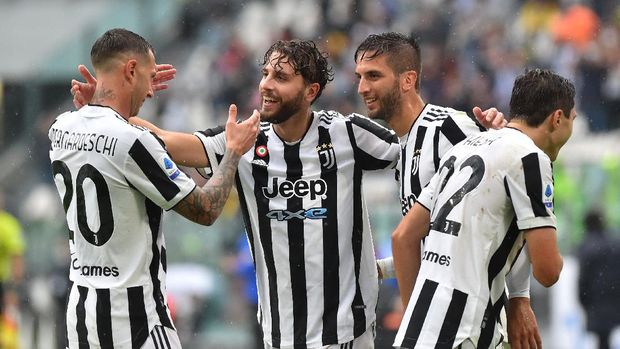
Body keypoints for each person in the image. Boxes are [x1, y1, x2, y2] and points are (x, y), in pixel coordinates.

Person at [73, 38, 402, 349]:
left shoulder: (347, 134)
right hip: (279, 334)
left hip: (346, 332)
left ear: (310, 91)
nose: (266, 85)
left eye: (281, 77)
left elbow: (413, 154)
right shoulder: (244, 140)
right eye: (265, 73)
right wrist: (106, 107)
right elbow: (162, 140)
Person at [50, 28, 259, 348]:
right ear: (130, 70)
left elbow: (104, 134)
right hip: (136, 320)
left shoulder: (61, 128)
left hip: (82, 315)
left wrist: (100, 105)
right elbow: (206, 210)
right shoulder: (134, 142)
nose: (151, 92)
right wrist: (232, 153)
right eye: (148, 77)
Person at [353, 32, 539, 348]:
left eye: (374, 76)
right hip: (446, 327)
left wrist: (520, 298)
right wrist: (377, 270)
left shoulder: (451, 129)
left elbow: (515, 207)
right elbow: (437, 244)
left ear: (407, 80)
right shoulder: (404, 147)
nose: (362, 88)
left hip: (475, 324)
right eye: (359, 77)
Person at [391, 68, 575, 348]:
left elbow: (403, 237)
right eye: (572, 119)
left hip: (415, 334)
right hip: (466, 332)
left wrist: (416, 316)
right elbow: (548, 271)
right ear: (557, 118)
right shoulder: (531, 158)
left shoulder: (462, 149)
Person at [578, 210, 620, 349]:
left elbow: (583, 279)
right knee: (606, 337)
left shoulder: (587, 246)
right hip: (613, 298)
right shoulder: (614, 243)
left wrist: (583, 300)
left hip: (596, 301)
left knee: (602, 340)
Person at [0, 191, 25, 349]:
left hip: (4, 285)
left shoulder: (9, 224)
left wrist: (13, 288)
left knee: (8, 329)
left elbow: (17, 259)